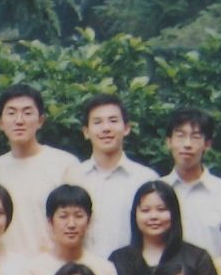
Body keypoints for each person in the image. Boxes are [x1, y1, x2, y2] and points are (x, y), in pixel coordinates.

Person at [66, 95, 157, 262]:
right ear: (86, 132)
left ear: (126, 128)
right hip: (81, 272)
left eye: (113, 121)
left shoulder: (145, 179)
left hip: (132, 271)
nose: (106, 128)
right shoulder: (73, 177)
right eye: (97, 122)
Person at [0, 84, 79, 258]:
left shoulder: (65, 165)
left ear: (40, 120)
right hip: (5, 267)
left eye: (27, 112)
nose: (19, 120)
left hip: (54, 267)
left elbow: (78, 221)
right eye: (11, 113)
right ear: (0, 123)